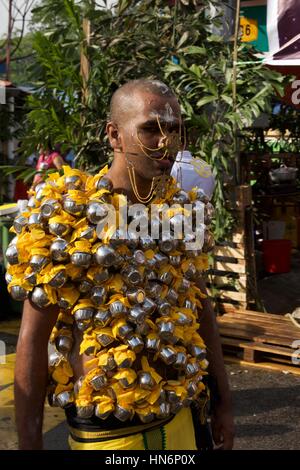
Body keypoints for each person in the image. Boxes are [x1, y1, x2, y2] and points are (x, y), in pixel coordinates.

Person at [10, 79, 234, 450]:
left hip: (184, 418)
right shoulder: (67, 212)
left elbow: (199, 302)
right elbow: (32, 339)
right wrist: (30, 443)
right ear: (114, 135)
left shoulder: (184, 210)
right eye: (150, 128)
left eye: (174, 130)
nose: (166, 143)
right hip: (109, 435)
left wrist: (224, 400)